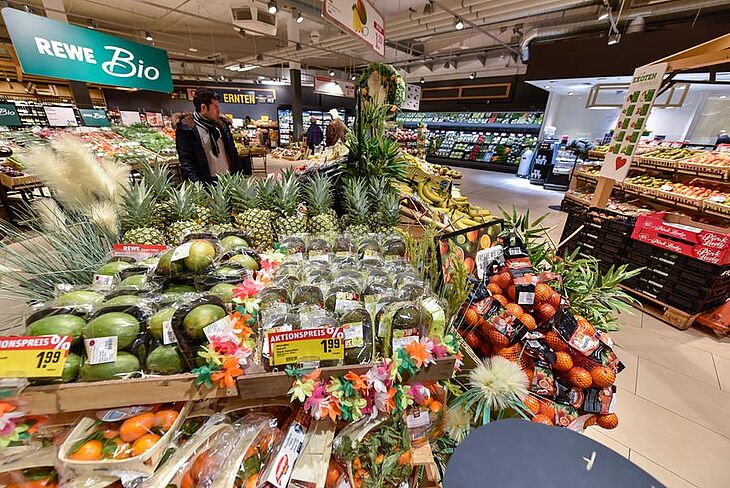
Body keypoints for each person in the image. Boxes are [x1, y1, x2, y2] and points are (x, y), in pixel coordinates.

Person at [175, 87, 250, 182]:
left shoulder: (222, 126)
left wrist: (239, 175)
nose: (219, 111)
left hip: (229, 179)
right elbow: (187, 161)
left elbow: (233, 152)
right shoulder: (187, 129)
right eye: (215, 107)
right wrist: (198, 186)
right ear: (203, 108)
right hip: (207, 182)